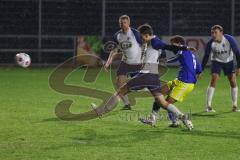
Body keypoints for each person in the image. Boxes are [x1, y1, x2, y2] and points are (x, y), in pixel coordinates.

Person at [97, 24, 196, 130]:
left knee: (121, 91)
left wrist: (185, 47)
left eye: (142, 36)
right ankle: (183, 117)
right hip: (153, 76)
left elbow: (168, 46)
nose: (141, 38)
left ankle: (101, 111)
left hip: (146, 74)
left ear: (147, 35)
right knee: (162, 102)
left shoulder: (154, 41)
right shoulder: (149, 42)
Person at [139, 35, 202, 127]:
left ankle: (183, 120)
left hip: (185, 83)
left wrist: (164, 61)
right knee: (158, 95)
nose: (172, 47)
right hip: (179, 81)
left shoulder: (182, 51)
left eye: (173, 44)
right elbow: (199, 69)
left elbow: (177, 55)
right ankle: (152, 119)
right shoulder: (190, 54)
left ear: (179, 44)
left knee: (167, 103)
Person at [104, 15, 142, 110]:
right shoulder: (117, 35)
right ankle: (127, 104)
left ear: (129, 23)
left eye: (125, 23)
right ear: (119, 23)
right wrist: (108, 63)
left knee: (139, 86)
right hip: (125, 62)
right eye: (121, 23)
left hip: (137, 63)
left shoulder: (135, 33)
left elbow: (145, 45)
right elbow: (114, 51)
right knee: (119, 82)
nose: (123, 25)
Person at [201, 25, 240, 112]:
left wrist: (239, 67)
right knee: (214, 78)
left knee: (232, 81)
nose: (213, 34)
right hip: (216, 61)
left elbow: (237, 53)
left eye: (216, 32)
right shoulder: (210, 43)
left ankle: (234, 105)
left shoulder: (229, 39)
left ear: (221, 33)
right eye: (212, 33)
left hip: (229, 61)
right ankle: (208, 106)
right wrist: (201, 70)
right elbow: (206, 57)